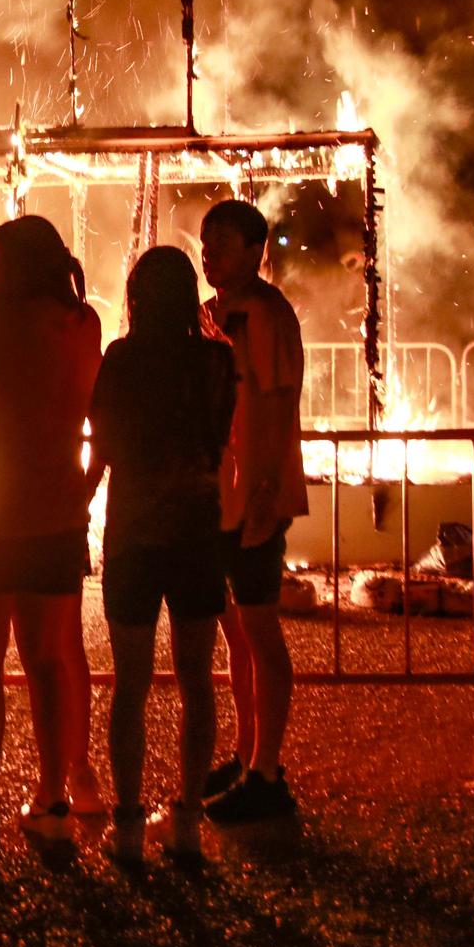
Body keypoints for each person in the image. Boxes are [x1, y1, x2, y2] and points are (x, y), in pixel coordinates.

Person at [0, 215, 102, 852]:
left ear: (14, 264)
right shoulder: (83, 322)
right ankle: (53, 797)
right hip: (56, 510)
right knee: (49, 660)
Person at [88, 246, 235, 863]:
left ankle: (126, 822)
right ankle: (187, 819)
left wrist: (79, 502)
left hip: (133, 533)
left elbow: (103, 441)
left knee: (131, 684)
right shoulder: (216, 361)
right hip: (199, 529)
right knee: (197, 680)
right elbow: (219, 434)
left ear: (137, 296)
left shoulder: (122, 358)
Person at [199, 199, 310, 824]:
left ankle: (267, 770)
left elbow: (272, 406)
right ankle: (246, 755)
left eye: (222, 242)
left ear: (254, 249)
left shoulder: (265, 315)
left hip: (253, 497)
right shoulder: (214, 314)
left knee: (259, 630)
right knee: (235, 631)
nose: (209, 251)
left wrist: (265, 493)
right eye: (207, 241)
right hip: (223, 495)